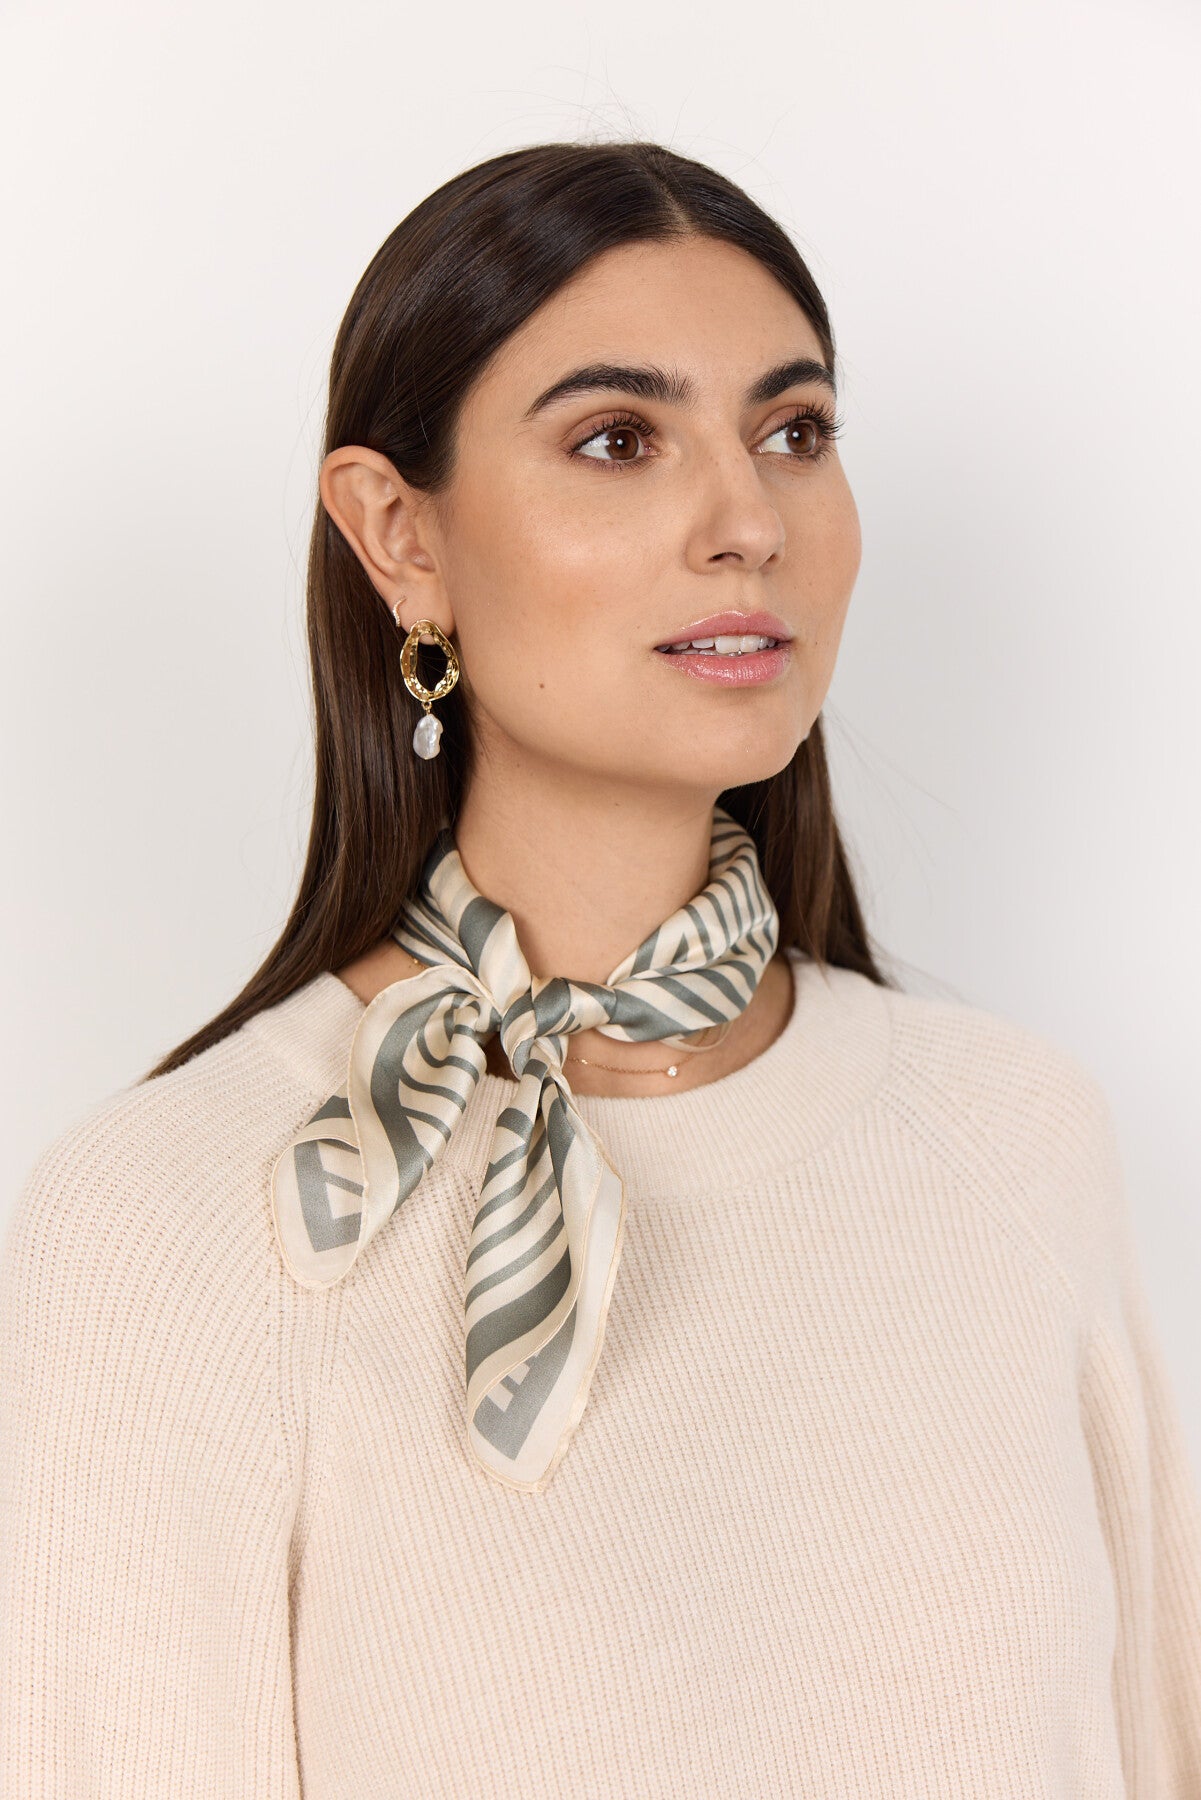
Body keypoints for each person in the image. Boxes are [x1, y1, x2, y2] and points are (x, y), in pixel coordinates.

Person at [2, 139, 1198, 1797]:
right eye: (618, 440)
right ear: (399, 536)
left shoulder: (1011, 1137)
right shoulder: (169, 1231)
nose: (747, 522)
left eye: (793, 432)